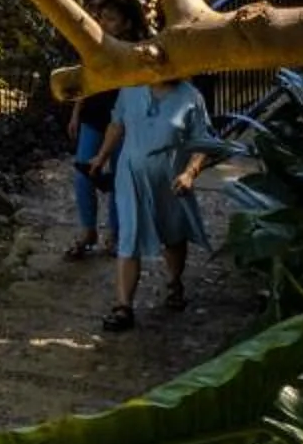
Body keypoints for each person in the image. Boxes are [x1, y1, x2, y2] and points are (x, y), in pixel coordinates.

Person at [86, 76, 218, 332]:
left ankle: (174, 283)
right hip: (130, 178)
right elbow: (117, 125)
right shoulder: (130, 88)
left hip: (171, 183)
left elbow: (203, 142)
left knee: (174, 235)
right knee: (128, 236)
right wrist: (101, 156)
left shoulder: (190, 97)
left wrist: (190, 173)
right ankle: (123, 307)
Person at [64, 83, 117, 258]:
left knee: (120, 178)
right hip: (94, 115)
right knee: (83, 175)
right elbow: (86, 77)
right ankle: (88, 231)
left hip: (125, 115)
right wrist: (76, 112)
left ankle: (115, 235)